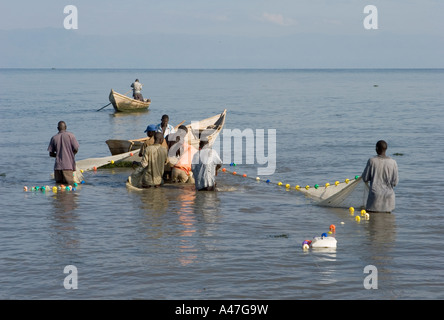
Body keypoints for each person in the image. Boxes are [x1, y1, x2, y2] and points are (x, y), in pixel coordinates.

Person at [362, 140, 399, 213]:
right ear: (386, 149)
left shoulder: (371, 161)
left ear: (377, 148)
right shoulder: (393, 162)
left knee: (373, 222)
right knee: (388, 223)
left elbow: (365, 178)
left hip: (375, 199)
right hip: (389, 199)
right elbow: (395, 182)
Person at [48, 121, 79, 186]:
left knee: (59, 186)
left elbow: (51, 154)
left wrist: (59, 155)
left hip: (58, 167)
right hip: (68, 166)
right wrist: (71, 155)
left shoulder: (54, 138)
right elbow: (76, 148)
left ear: (57, 128)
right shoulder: (71, 136)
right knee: (70, 186)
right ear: (66, 127)